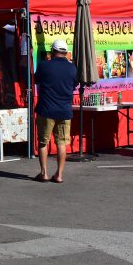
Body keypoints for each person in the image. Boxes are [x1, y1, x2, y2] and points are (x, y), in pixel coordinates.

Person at [33, 38, 77, 183]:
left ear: (52, 51)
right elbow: (74, 84)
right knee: (61, 143)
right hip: (64, 111)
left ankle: (44, 173)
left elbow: (36, 80)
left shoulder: (44, 65)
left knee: (43, 143)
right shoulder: (72, 68)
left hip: (46, 110)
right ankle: (59, 175)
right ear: (65, 52)